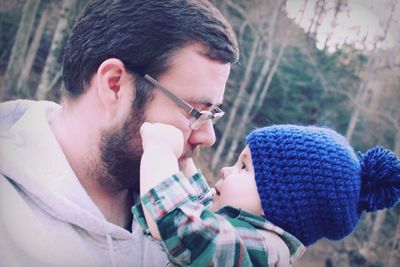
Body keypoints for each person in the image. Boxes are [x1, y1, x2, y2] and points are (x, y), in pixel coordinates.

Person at [0, 0, 239, 266]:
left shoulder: (193, 222)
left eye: (212, 114)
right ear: (114, 85)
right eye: (195, 112)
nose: (208, 137)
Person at [134, 122, 400, 267]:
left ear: (278, 203)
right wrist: (184, 164)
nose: (226, 170)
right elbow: (202, 204)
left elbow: (184, 227)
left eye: (244, 167)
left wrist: (159, 151)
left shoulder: (263, 253)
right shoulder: (248, 231)